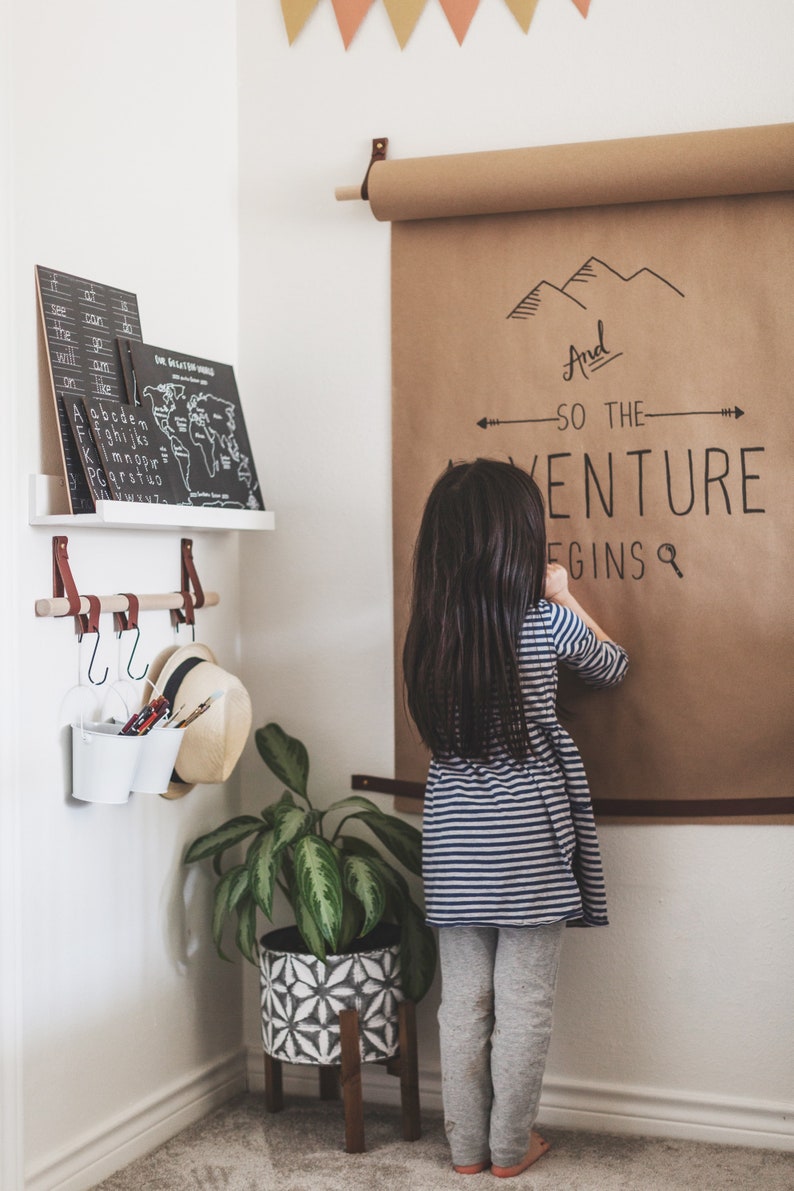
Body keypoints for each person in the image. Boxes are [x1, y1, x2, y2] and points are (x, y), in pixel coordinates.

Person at [402, 458, 628, 1178]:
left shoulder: (428, 639)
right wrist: (565, 593)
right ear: (516, 547)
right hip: (529, 841)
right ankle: (509, 1149)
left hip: (454, 841)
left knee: (463, 1002)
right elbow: (614, 664)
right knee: (525, 1002)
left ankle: (465, 1150)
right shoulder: (542, 622)